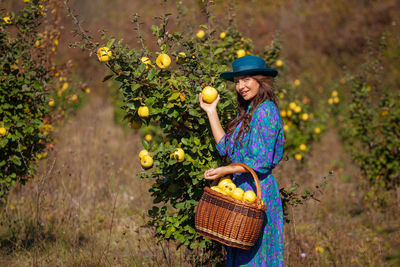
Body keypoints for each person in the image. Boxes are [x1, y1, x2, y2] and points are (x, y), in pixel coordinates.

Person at [199, 55, 285, 266]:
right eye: (237, 82)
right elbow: (226, 148)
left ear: (260, 80)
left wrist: (224, 171)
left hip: (258, 193)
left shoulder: (265, 112)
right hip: (240, 193)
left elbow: (261, 161)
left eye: (246, 79)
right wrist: (211, 112)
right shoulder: (249, 111)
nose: (240, 86)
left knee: (257, 258)